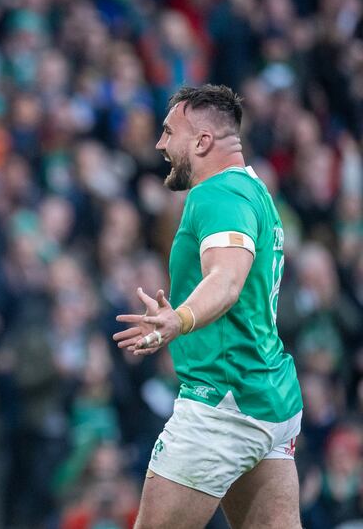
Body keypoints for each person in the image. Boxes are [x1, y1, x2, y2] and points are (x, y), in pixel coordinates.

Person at [113, 85, 303, 528]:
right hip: (268, 399)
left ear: (201, 142)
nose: (160, 145)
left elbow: (227, 279)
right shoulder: (256, 192)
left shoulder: (217, 195)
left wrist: (179, 319)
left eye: (168, 132)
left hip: (222, 402)